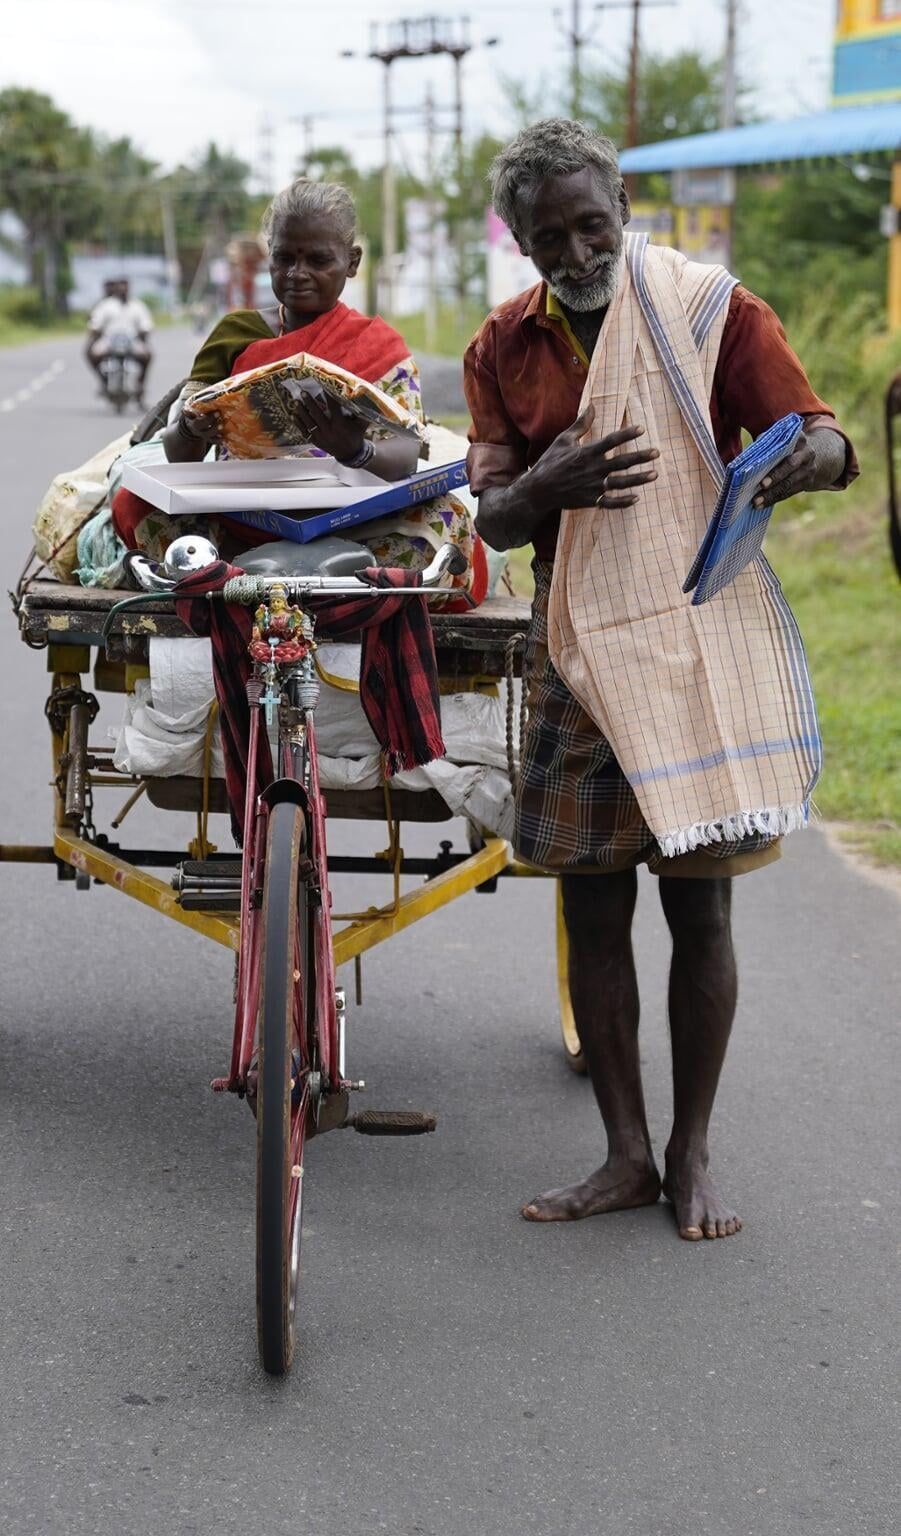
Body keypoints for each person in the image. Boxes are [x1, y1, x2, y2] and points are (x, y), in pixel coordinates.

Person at [464, 120, 858, 1242]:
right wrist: (550, 483)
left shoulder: (708, 308)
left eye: (593, 225)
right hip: (581, 646)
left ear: (623, 205)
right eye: (551, 238)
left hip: (695, 643)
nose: (579, 252)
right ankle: (623, 1155)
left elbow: (822, 437)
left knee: (702, 906)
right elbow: (488, 512)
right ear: (522, 242)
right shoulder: (503, 345)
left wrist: (799, 461)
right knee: (592, 909)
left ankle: (690, 1154)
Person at [112, 178, 480, 599]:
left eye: (318, 260)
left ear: (352, 261)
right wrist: (192, 430)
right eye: (284, 258)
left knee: (447, 519)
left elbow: (405, 456)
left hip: (354, 523)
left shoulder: (379, 345)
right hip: (242, 519)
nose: (297, 274)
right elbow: (180, 451)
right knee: (134, 505)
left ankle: (233, 584)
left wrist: (354, 451)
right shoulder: (235, 334)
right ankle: (336, 588)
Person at [85, 277, 153, 399]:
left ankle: (139, 387)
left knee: (147, 355)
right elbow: (96, 323)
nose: (123, 290)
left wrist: (144, 331)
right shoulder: (106, 305)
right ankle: (103, 381)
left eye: (125, 286)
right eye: (120, 287)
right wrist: (95, 331)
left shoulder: (137, 306)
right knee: (92, 354)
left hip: (132, 341)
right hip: (109, 341)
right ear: (116, 289)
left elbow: (145, 323)